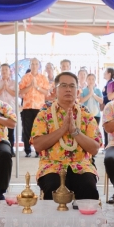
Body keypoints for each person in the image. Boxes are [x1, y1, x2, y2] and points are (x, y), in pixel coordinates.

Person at [31, 72, 102, 200]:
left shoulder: (86, 115)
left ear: (78, 90)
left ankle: (85, 220)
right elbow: (38, 145)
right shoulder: (44, 114)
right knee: (54, 188)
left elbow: (94, 149)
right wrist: (63, 129)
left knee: (88, 187)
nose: (68, 89)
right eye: (63, 85)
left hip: (81, 165)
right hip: (51, 166)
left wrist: (75, 131)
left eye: (72, 86)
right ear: (55, 90)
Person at [18, 58, 51, 158]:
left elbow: (47, 93)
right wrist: (30, 86)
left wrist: (37, 87)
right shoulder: (25, 77)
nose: (34, 66)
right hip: (27, 107)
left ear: (39, 66)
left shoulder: (43, 78)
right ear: (30, 65)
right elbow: (20, 93)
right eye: (32, 64)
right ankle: (27, 150)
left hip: (39, 107)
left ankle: (38, 151)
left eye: (36, 64)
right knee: (27, 129)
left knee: (39, 130)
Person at [0, 64, 17, 149]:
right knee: (0, 129)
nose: (4, 71)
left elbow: (15, 94)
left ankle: (11, 148)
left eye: (6, 70)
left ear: (9, 71)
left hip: (10, 108)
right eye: (2, 70)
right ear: (0, 71)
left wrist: (7, 87)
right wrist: (2, 87)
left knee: (11, 129)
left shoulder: (14, 82)